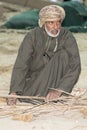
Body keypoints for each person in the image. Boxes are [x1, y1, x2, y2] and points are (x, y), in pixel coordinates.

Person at [7, 5, 81, 105]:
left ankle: (56, 94)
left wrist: (59, 90)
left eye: (58, 22)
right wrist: (14, 91)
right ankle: (41, 96)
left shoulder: (67, 36)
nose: (56, 26)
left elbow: (75, 66)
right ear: (44, 22)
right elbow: (21, 64)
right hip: (35, 85)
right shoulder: (32, 36)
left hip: (57, 86)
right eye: (51, 22)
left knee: (63, 55)